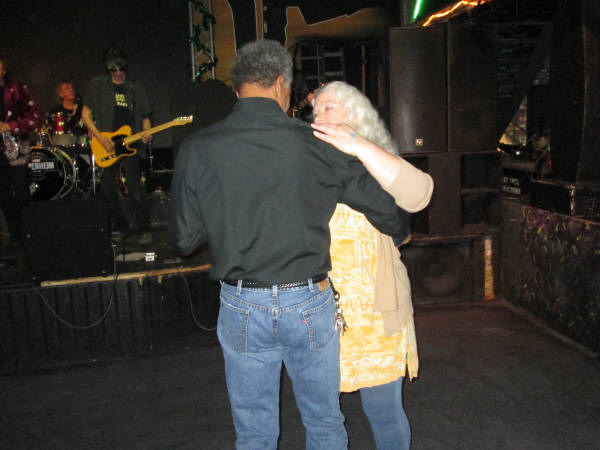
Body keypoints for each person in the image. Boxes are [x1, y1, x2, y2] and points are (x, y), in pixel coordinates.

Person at [170, 39, 410, 450]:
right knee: (324, 425)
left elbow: (184, 239)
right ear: (282, 83)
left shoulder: (198, 148)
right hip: (308, 302)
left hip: (242, 304)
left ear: (237, 88)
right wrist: (401, 230)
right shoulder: (319, 143)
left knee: (254, 433)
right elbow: (387, 210)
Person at [311, 81, 434, 450]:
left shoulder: (375, 157)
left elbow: (420, 193)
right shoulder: (308, 160)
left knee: (382, 409)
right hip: (321, 307)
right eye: (316, 109)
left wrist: (358, 145)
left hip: (378, 309)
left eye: (329, 106)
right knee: (321, 413)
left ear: (356, 114)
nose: (319, 115)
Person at [81, 47, 153, 244]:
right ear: (108, 69)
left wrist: (147, 132)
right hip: (106, 142)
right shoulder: (97, 85)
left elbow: (146, 116)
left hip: (130, 142)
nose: (118, 74)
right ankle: (121, 226)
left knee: (134, 186)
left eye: (121, 70)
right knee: (107, 190)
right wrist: (99, 138)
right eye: (114, 71)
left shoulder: (135, 87)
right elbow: (85, 114)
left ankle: (144, 228)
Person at [0, 54, 42, 248]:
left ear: (4, 69)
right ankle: (15, 237)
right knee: (4, 198)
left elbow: (35, 118)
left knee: (22, 193)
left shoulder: (17, 90)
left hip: (15, 150)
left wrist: (10, 126)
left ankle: (30, 233)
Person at [47, 81, 88, 148]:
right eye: (67, 88)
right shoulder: (56, 111)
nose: (71, 90)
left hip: (82, 139)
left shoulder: (82, 108)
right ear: (61, 94)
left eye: (72, 88)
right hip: (63, 141)